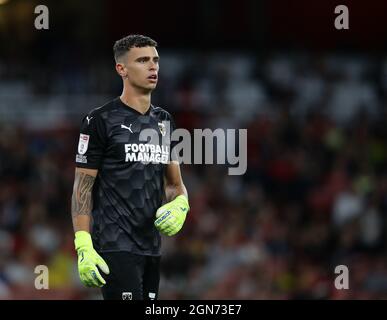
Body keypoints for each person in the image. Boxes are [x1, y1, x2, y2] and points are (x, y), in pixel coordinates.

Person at [70, 34, 189, 300]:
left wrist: (181, 204)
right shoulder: (99, 120)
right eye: (143, 60)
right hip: (114, 244)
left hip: (151, 247)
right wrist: (83, 244)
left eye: (156, 60)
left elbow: (174, 184)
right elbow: (82, 188)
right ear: (121, 69)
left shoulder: (164, 121)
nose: (153, 67)